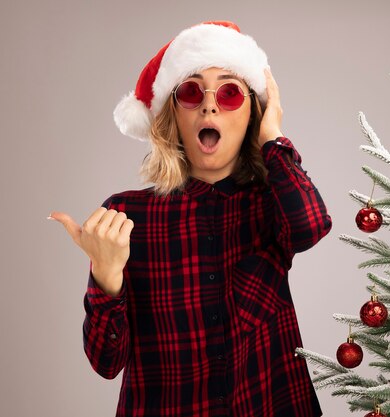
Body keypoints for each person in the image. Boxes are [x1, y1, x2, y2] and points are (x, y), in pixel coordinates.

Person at [49, 20, 332, 417]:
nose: (209, 104)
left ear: (252, 113)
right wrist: (107, 277)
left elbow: (311, 226)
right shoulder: (127, 216)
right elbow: (106, 363)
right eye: (191, 91)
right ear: (174, 117)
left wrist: (273, 137)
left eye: (231, 92)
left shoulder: (273, 200)